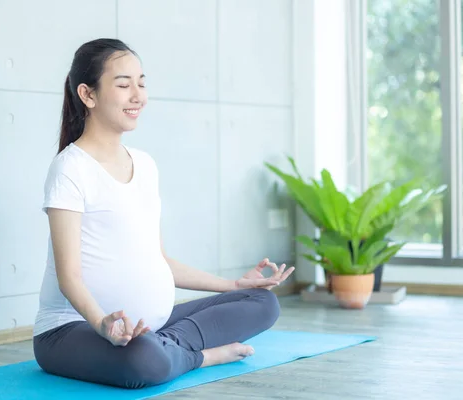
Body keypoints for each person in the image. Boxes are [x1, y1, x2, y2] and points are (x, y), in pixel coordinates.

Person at [32, 38, 295, 390]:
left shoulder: (145, 164)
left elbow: (159, 261)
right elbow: (70, 278)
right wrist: (102, 325)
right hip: (70, 330)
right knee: (144, 361)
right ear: (88, 95)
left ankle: (168, 346)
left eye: (142, 82)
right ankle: (202, 355)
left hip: (151, 326)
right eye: (124, 85)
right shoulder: (69, 170)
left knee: (262, 303)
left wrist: (234, 285)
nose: (138, 95)